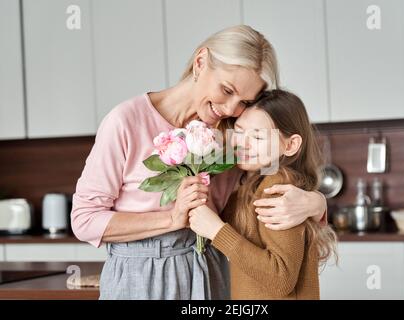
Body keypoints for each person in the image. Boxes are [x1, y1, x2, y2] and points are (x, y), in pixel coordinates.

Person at [71, 25, 327, 300]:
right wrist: (171, 219)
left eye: (244, 101)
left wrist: (317, 203)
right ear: (200, 62)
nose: (230, 108)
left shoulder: (233, 131)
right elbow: (85, 220)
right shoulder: (126, 122)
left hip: (210, 266)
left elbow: (274, 174)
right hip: (141, 275)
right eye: (227, 90)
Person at [189, 90, 337, 299]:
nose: (242, 143)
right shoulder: (247, 180)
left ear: (291, 145)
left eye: (258, 136)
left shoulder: (277, 188)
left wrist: (216, 231)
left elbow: (281, 278)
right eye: (239, 131)